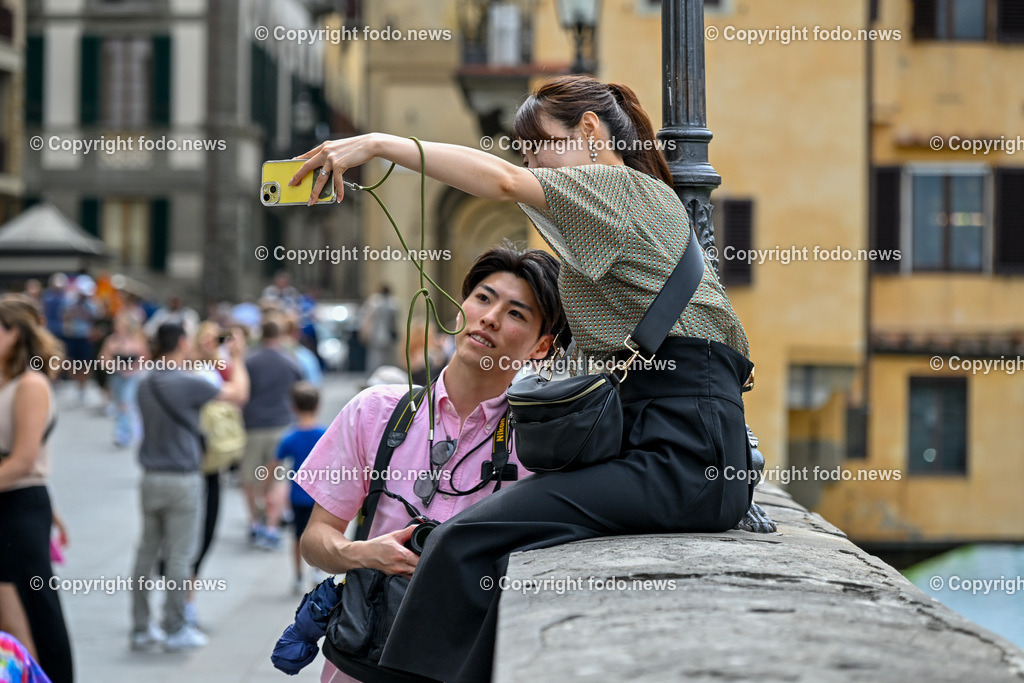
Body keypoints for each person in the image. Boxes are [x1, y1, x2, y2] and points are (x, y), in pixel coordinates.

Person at [291, 74, 756, 682]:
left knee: (465, 542)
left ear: (590, 132)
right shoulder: (621, 221)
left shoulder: (622, 189)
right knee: (490, 542)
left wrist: (379, 144)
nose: (532, 164)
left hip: (680, 457)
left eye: (540, 145)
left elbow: (505, 181)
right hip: (682, 449)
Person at [296, 245, 563, 683]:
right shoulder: (377, 412)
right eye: (482, 298)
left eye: (516, 314)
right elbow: (315, 539)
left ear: (541, 346)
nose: (490, 317)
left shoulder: (540, 444)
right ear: (459, 311)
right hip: (362, 663)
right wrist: (364, 553)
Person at [130, 323, 249, 652]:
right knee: (181, 556)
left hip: (149, 476)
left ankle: (141, 627)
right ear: (182, 342)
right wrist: (236, 358)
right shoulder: (187, 382)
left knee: (145, 553)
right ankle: (175, 626)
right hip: (182, 478)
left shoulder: (144, 380)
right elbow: (238, 394)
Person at [0, 295, 73, 682]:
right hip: (13, 502)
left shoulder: (30, 384)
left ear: (14, 335)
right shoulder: (7, 381)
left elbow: (25, 461)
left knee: (29, 611)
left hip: (18, 506)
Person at [241, 316, 304, 550]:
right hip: (281, 425)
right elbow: (300, 388)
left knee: (250, 477)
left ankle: (255, 523)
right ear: (279, 335)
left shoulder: (250, 360)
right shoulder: (290, 361)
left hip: (253, 425)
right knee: (278, 479)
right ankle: (271, 527)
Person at [274, 381, 326, 595]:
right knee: (318, 534)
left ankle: (297, 575)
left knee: (297, 536)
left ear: (293, 407)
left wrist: (269, 487)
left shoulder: (290, 437)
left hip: (297, 495)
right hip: (319, 496)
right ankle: (316, 569)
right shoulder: (325, 434)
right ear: (317, 406)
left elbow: (274, 464)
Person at [98, 311, 148, 447]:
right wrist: (116, 366)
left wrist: (132, 369)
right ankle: (124, 429)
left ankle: (123, 432)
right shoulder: (111, 340)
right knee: (119, 403)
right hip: (116, 376)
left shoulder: (137, 341)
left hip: (131, 377)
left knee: (126, 403)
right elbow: (103, 358)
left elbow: (144, 358)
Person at [359, 284, 399, 373]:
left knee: (376, 357)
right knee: (383, 358)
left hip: (377, 334)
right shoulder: (393, 303)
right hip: (384, 334)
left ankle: (376, 374)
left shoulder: (375, 301)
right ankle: (383, 375)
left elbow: (366, 318)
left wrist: (364, 332)